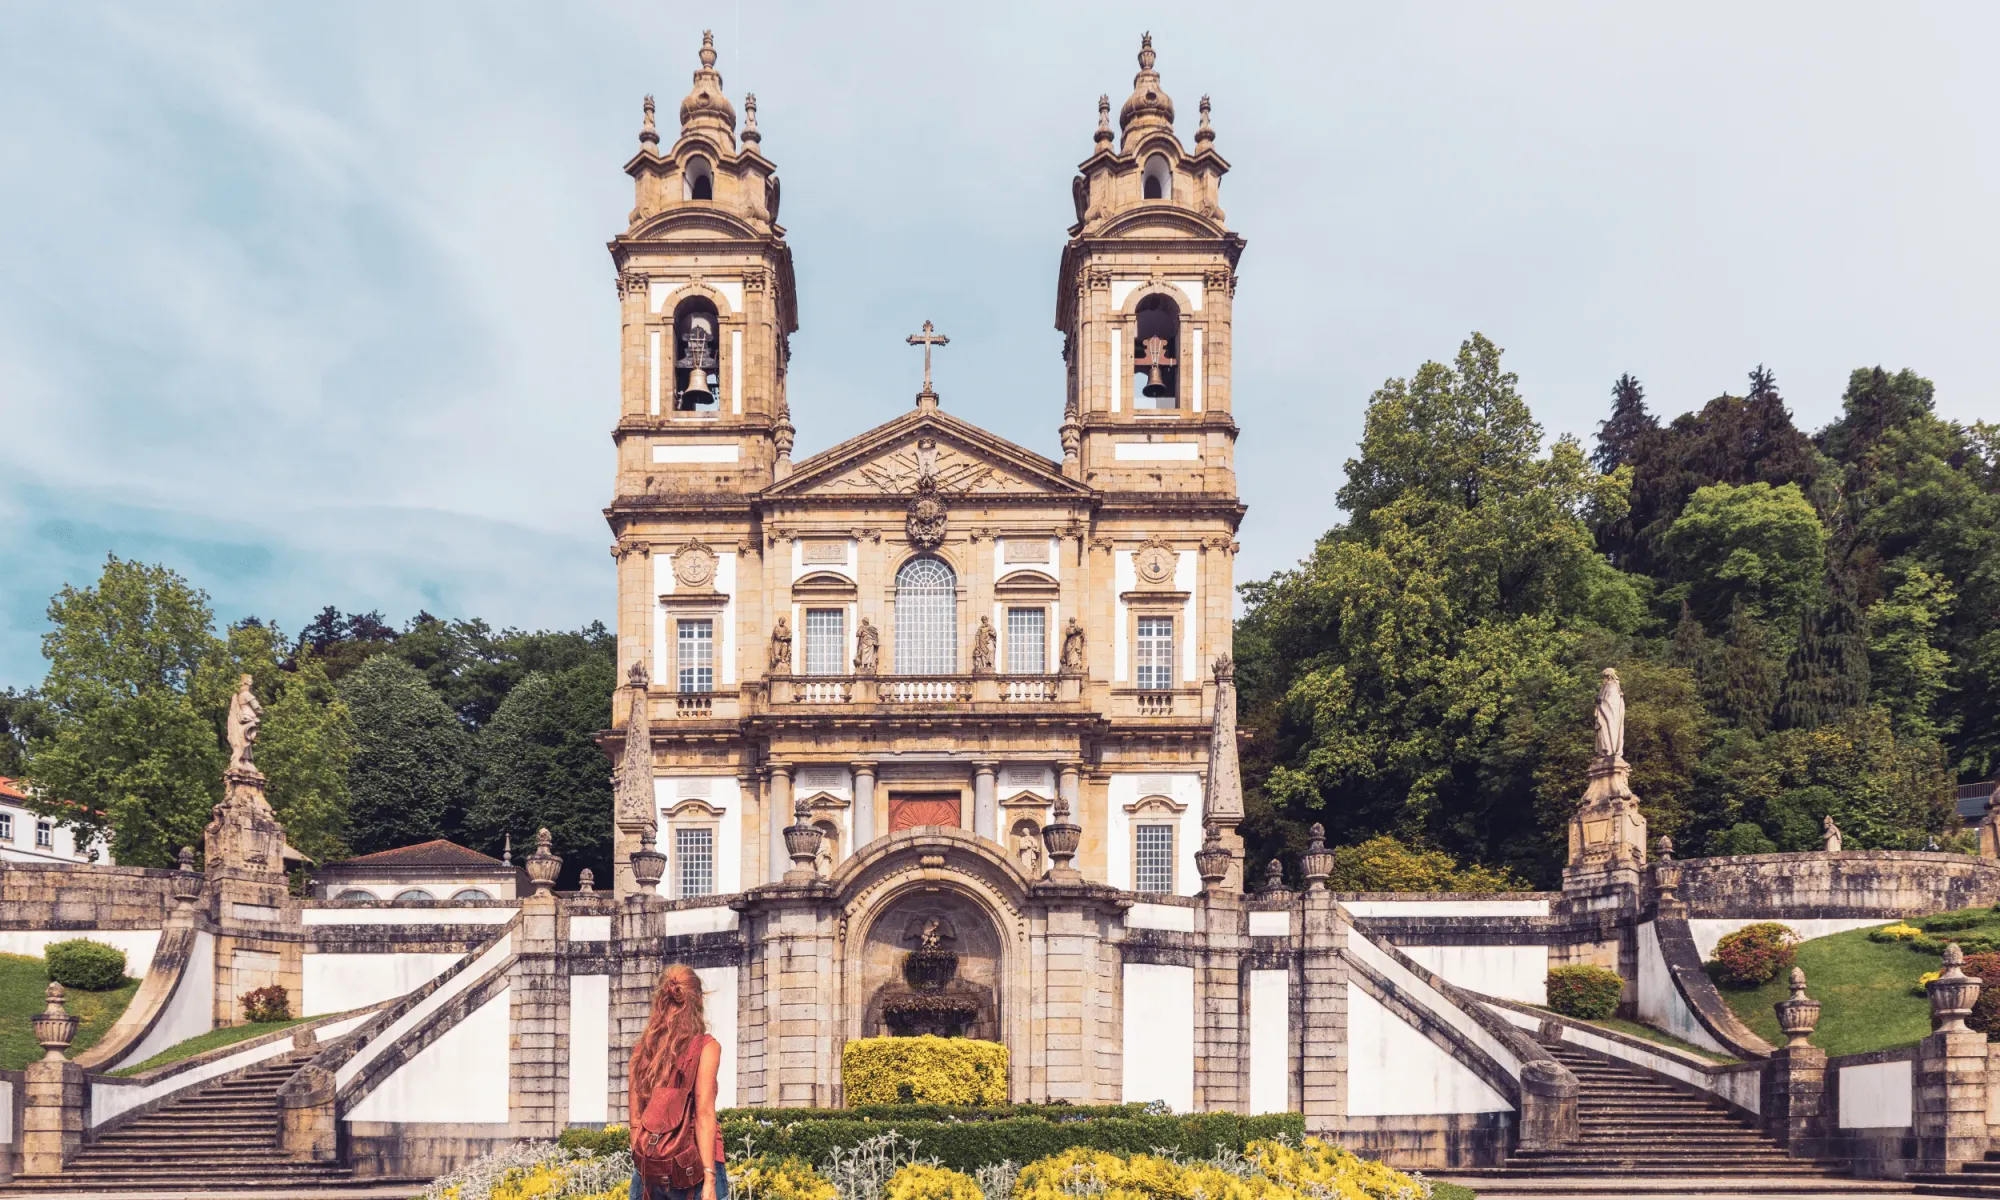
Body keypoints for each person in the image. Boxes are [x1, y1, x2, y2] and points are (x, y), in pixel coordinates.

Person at [629, 964, 726, 1200]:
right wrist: (710, 1180)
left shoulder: (641, 1051)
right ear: (699, 1001)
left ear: (660, 1001)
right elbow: (703, 1114)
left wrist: (648, 1165)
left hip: (649, 1170)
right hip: (694, 1166)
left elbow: (635, 1122)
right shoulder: (706, 1047)